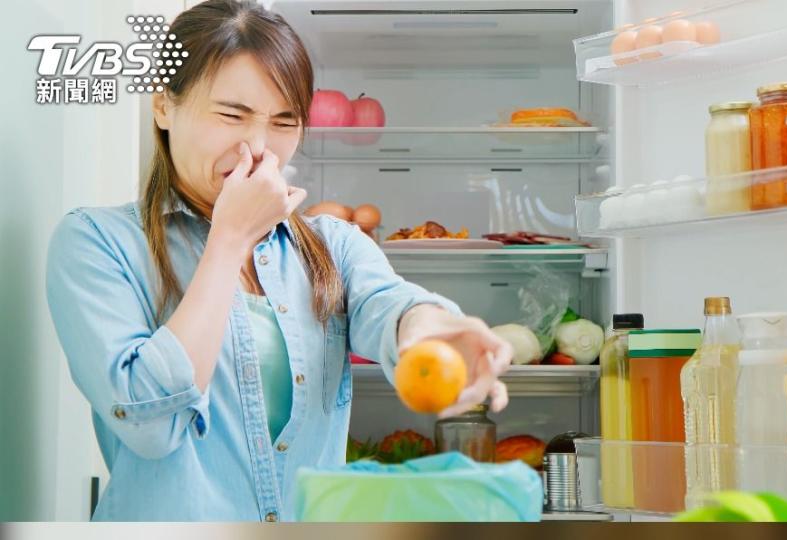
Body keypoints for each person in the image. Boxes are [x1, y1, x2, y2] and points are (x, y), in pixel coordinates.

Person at [45, 0, 511, 521]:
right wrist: (229, 239)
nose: (259, 148)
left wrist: (435, 330)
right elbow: (151, 425)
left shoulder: (333, 246)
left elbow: (392, 305)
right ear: (163, 106)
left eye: (284, 122)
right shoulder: (97, 243)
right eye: (231, 115)